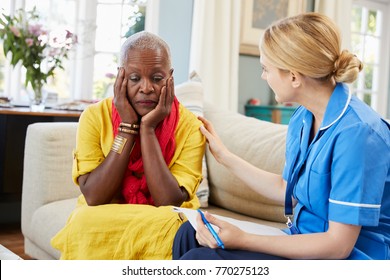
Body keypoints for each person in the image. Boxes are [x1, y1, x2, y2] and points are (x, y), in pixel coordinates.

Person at [172, 12, 390, 260]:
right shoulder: (303, 118)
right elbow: (287, 188)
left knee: (199, 261)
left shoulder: (359, 134)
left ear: (294, 77)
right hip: (302, 237)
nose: (263, 77)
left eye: (266, 69)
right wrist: (225, 156)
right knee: (189, 232)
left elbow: (337, 246)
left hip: (351, 258)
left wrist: (244, 239)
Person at [51, 31, 205, 259]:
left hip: (162, 217)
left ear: (170, 78)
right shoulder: (94, 117)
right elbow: (95, 197)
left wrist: (148, 129)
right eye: (134, 78)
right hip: (108, 211)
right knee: (83, 219)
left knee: (173, 224)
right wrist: (127, 128)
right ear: (120, 76)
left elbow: (168, 202)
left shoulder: (191, 126)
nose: (146, 88)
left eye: (157, 78)